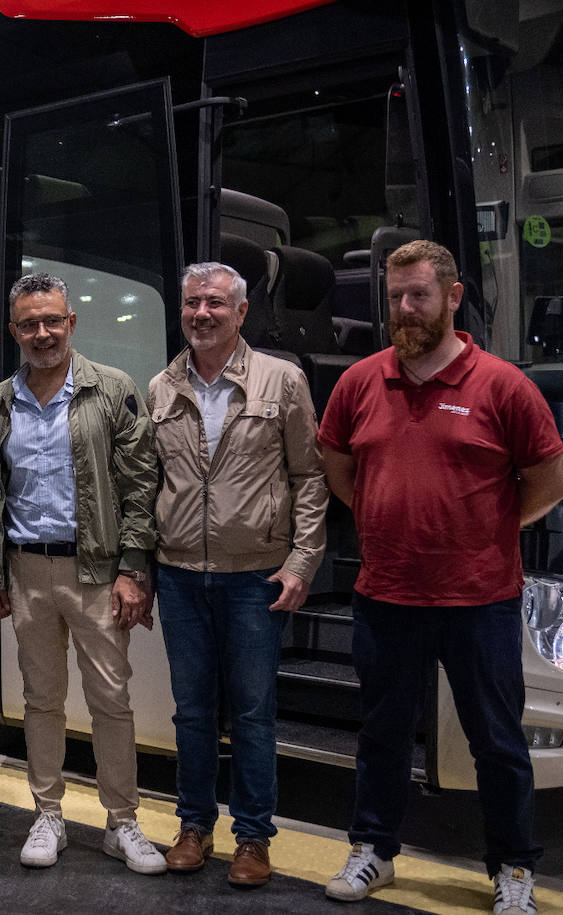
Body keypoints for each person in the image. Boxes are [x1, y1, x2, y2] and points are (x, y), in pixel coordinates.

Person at [317, 240, 563, 915]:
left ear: (452, 297)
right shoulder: (360, 382)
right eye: (395, 296)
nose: (404, 309)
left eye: (419, 295)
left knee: (497, 740)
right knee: (382, 734)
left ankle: (513, 868)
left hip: (479, 599)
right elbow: (338, 467)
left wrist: (485, 530)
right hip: (386, 593)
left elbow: (551, 480)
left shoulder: (503, 385)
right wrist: (383, 514)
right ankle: (374, 848)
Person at [147, 262, 328, 887]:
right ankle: (194, 826)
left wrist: (303, 562)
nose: (202, 314)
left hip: (255, 577)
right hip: (177, 576)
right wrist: (140, 570)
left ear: (241, 312)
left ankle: (253, 839)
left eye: (215, 304)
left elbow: (310, 478)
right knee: (192, 712)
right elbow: (149, 489)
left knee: (252, 712)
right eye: (192, 303)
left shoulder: (283, 381)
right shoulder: (161, 387)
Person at [0, 272, 166, 875]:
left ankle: (122, 822)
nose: (42, 333)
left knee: (110, 699)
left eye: (51, 320)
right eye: (29, 323)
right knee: (41, 700)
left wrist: (133, 568)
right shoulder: (0, 402)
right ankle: (49, 815)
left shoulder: (110, 390)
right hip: (26, 568)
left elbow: (141, 485)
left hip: (96, 571)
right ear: (14, 331)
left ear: (71, 323)